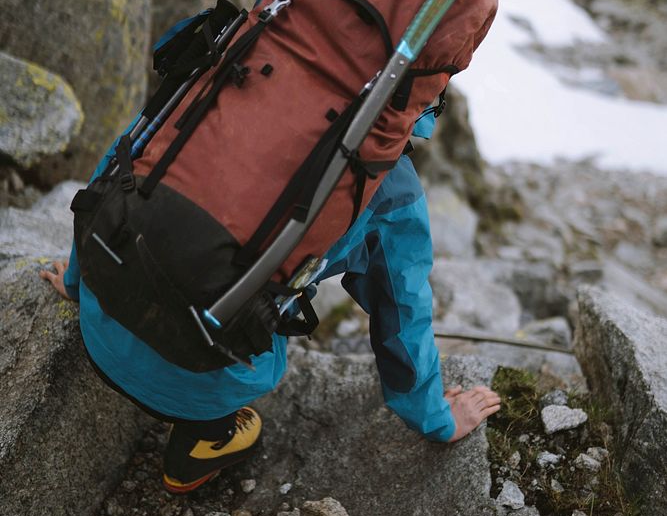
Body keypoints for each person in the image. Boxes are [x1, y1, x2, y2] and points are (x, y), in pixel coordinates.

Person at [41, 104, 501, 494]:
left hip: (98, 327)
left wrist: (81, 285)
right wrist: (438, 419)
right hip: (196, 381)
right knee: (256, 333)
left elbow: (113, 181)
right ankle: (201, 443)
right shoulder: (389, 184)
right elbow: (403, 315)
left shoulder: (223, 64)